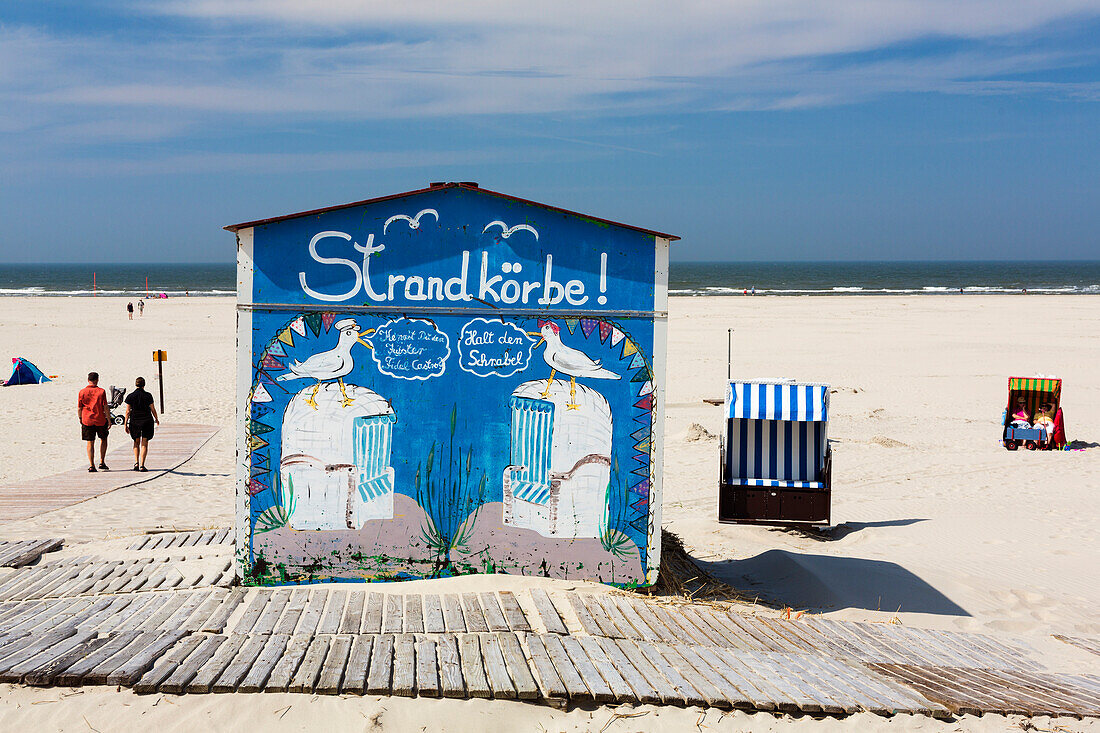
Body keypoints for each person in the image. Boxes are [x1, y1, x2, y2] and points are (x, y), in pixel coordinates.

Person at [124, 376, 160, 472]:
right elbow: (153, 409)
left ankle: (136, 462)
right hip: (147, 420)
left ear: (136, 384)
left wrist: (125, 423)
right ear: (144, 385)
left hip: (135, 420)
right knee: (145, 442)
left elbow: (127, 411)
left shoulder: (130, 396)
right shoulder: (148, 395)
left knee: (136, 442)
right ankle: (142, 465)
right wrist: (156, 419)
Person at [78, 372, 110, 472]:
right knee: (103, 439)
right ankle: (102, 461)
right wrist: (109, 419)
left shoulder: (82, 392)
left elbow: (79, 407)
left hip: (87, 419)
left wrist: (80, 418)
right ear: (97, 379)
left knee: (90, 442)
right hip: (100, 419)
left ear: (88, 380)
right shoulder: (101, 392)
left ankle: (92, 465)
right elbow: (105, 407)